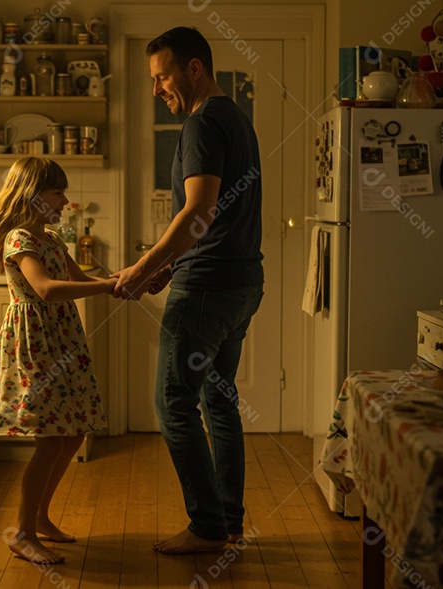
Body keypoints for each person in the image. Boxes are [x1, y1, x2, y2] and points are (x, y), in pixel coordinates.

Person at [113, 26, 264, 554]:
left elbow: (198, 210)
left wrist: (143, 266)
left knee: (172, 403)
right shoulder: (237, 120)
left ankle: (206, 527)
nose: (157, 89)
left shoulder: (201, 124)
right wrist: (171, 266)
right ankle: (229, 522)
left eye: (161, 77)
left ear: (193, 69)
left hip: (208, 289)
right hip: (241, 281)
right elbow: (218, 217)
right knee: (218, 402)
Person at [0, 157, 115, 565]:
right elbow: (45, 289)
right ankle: (20, 533)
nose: (66, 200)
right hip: (35, 343)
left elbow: (83, 282)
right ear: (34, 195)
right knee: (52, 437)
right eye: (58, 192)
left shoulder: (52, 239)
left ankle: (38, 519)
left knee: (72, 434)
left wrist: (126, 281)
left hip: (61, 340)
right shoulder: (20, 239)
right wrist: (110, 286)